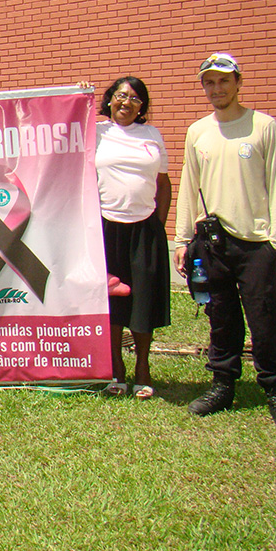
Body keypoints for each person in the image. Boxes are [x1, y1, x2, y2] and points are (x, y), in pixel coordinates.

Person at [174, 53, 276, 430]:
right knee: (221, 318)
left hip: (255, 243)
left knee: (264, 320)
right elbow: (188, 186)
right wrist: (182, 238)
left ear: (238, 82)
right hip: (212, 242)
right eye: (209, 83)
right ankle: (222, 385)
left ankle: (275, 390)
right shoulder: (198, 132)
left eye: (223, 81)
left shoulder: (263, 126)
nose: (217, 89)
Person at [90, 77, 171, 400]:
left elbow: (163, 184)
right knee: (113, 300)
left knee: (143, 299)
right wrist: (82, 92)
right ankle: (116, 370)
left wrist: (158, 224)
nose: (127, 102)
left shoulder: (151, 136)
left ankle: (143, 369)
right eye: (121, 95)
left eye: (135, 98)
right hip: (106, 228)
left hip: (145, 228)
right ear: (110, 100)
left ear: (142, 107)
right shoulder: (95, 132)